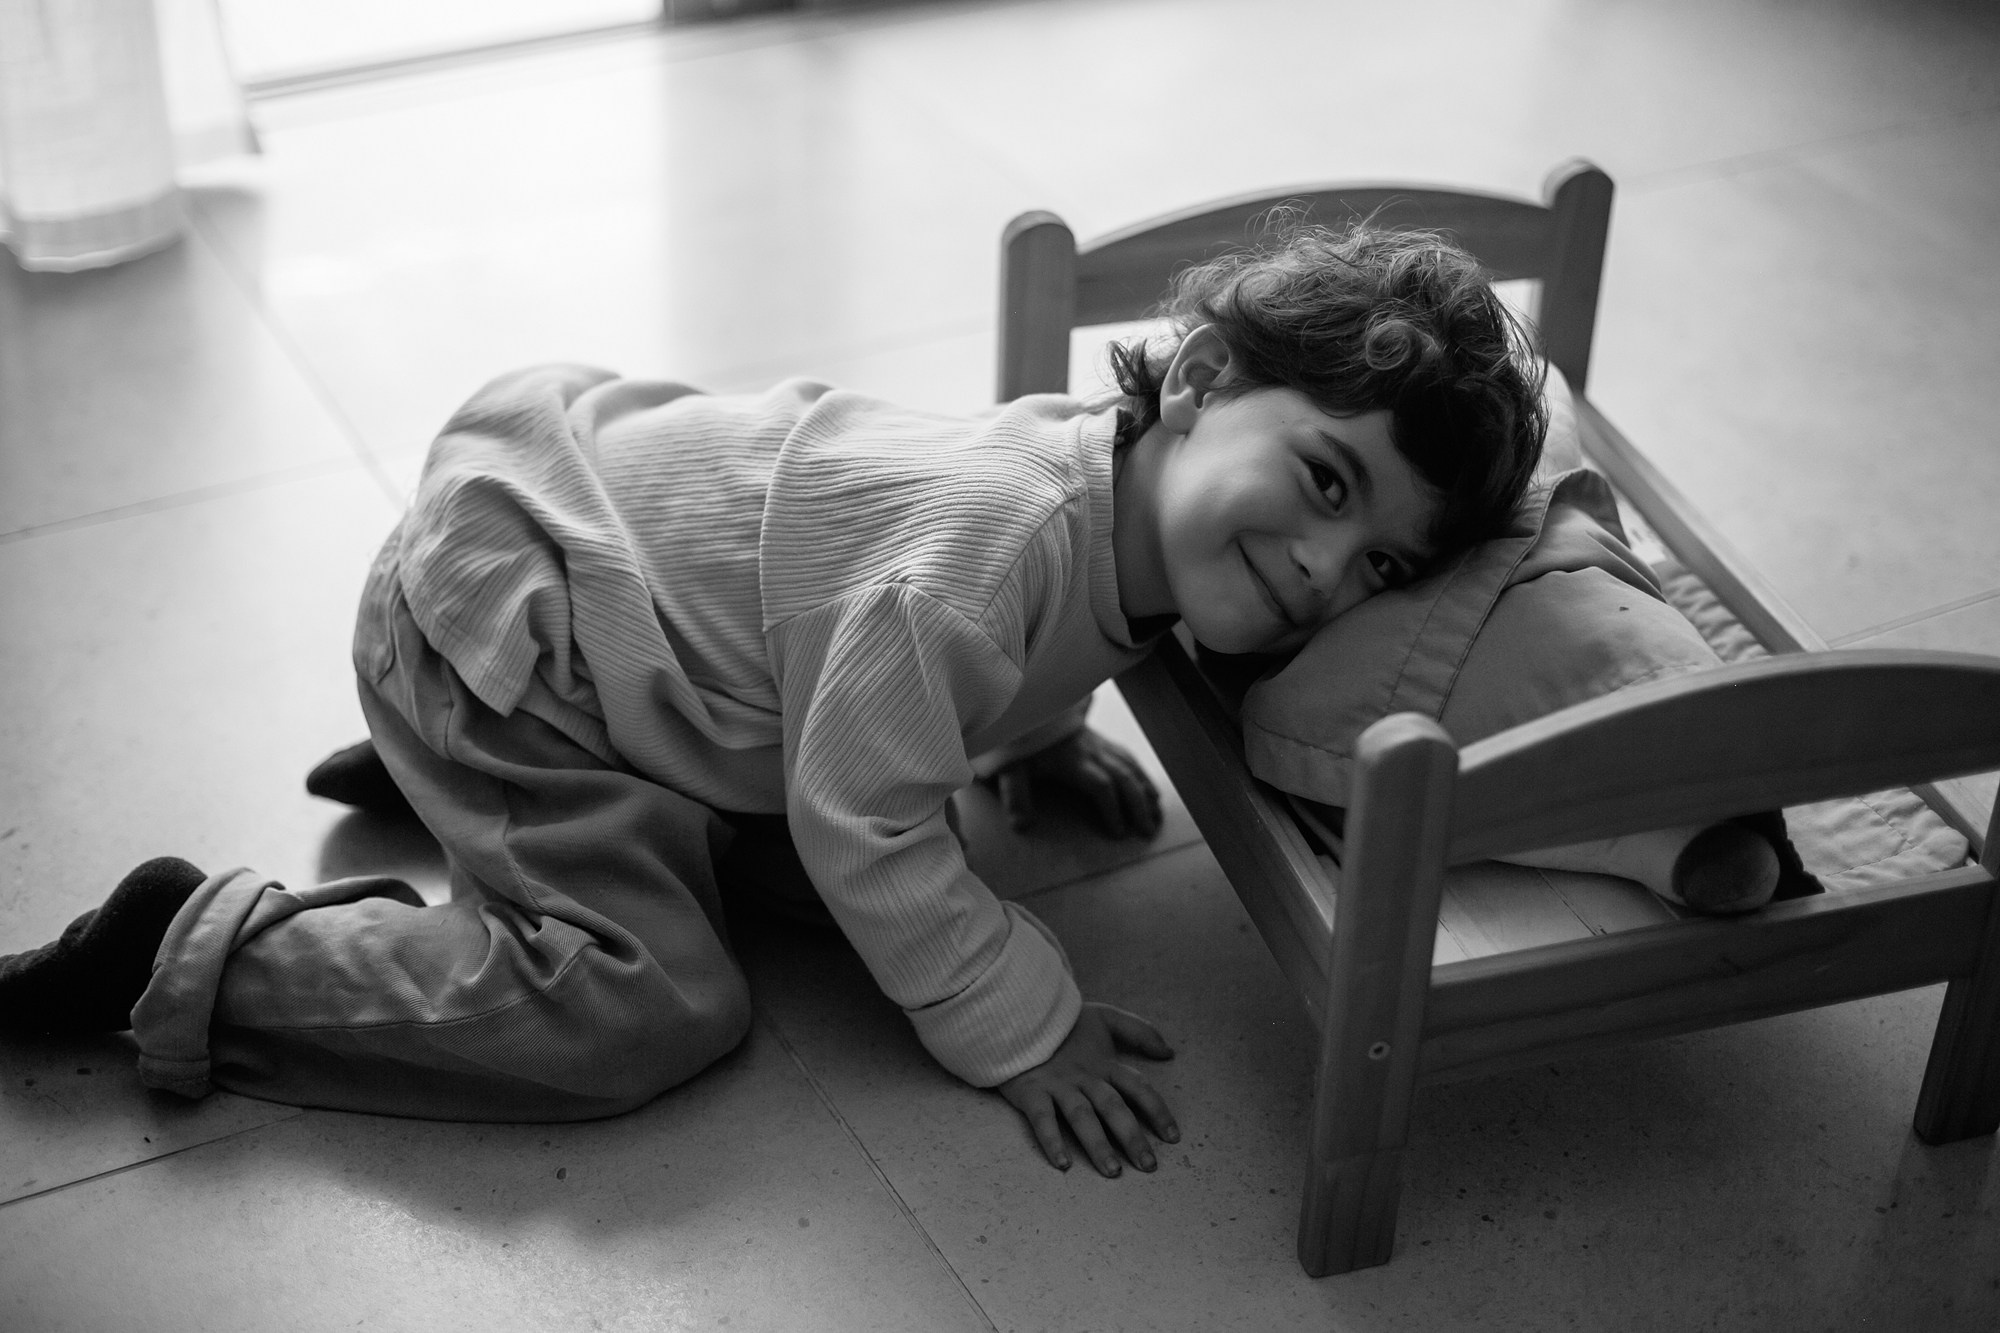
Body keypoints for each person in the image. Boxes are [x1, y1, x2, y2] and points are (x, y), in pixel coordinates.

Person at [0, 221, 1546, 1179]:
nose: (1321, 568)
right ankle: (197, 950)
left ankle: (493, 775)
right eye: (1325, 480)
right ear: (1202, 378)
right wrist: (1023, 1024)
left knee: (830, 840)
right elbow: (865, 806)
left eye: (1376, 565)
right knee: (652, 1004)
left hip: (619, 578)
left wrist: (1045, 735)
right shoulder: (987, 542)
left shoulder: (1116, 490)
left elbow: (1012, 641)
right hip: (517, 640)